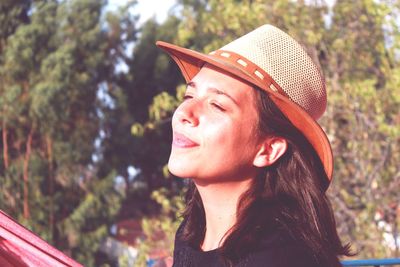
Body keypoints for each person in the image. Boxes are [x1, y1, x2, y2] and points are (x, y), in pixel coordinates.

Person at [156, 24, 352, 267]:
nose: (185, 113)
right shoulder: (192, 233)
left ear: (268, 149)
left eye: (217, 105)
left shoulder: (281, 257)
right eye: (189, 96)